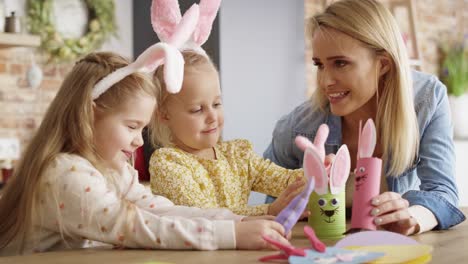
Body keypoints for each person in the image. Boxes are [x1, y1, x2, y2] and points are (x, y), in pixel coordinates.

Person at [0, 51, 290, 256]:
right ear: (89, 116)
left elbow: (157, 208)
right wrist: (232, 236)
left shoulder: (113, 169)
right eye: (131, 126)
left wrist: (234, 222)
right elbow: (136, 226)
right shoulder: (65, 174)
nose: (140, 141)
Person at [264, 0, 465, 235]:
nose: (325, 81)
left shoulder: (426, 101)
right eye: (320, 65)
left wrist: (411, 217)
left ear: (383, 64)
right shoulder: (299, 128)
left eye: (340, 63)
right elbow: (272, 212)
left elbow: (442, 191)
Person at [148, 50, 307, 217]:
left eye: (216, 104)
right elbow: (203, 216)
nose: (212, 117)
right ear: (164, 115)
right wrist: (268, 210)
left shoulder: (237, 156)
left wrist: (319, 171)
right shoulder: (168, 164)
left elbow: (286, 180)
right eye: (197, 110)